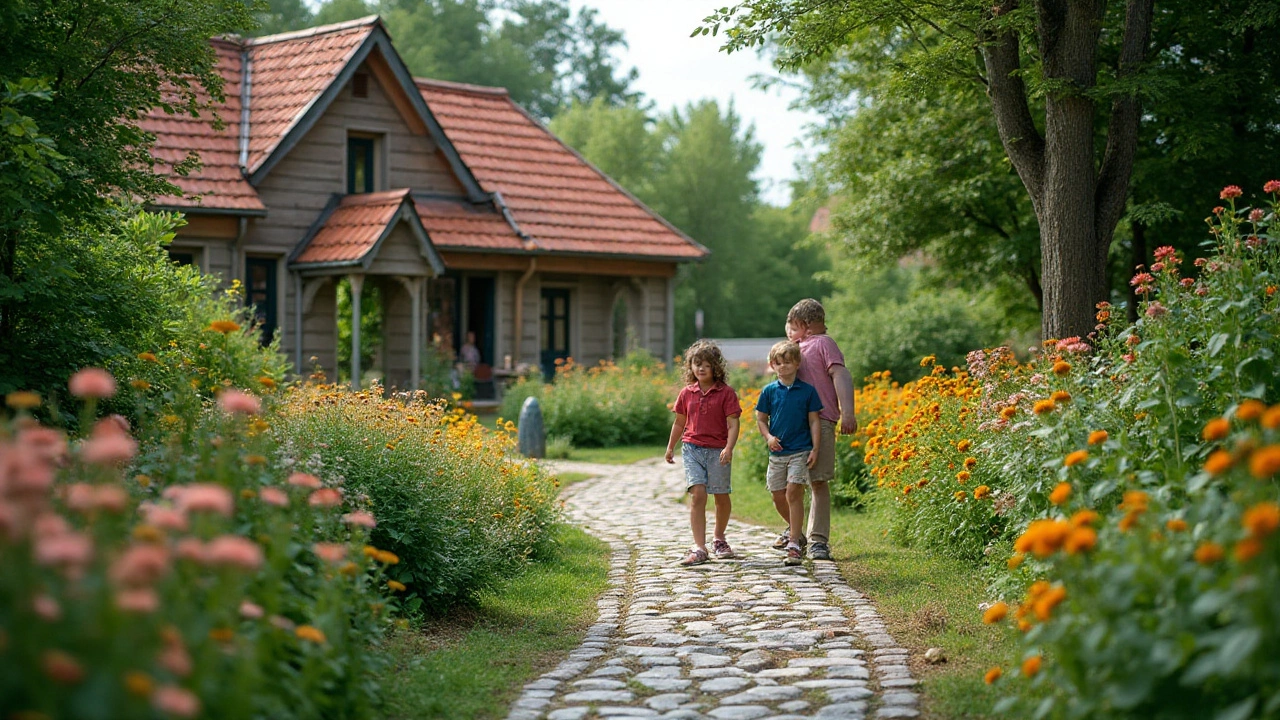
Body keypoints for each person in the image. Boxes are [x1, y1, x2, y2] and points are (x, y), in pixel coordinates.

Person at [781, 299, 857, 561]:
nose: (788, 333)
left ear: (805, 326)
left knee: (818, 480)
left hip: (821, 420)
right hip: (794, 425)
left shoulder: (823, 343)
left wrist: (847, 412)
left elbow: (840, 375)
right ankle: (794, 532)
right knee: (789, 481)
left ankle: (818, 541)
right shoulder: (794, 349)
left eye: (791, 327)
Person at [665, 340, 742, 566]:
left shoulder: (726, 393)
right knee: (698, 493)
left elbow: (733, 424)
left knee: (721, 495)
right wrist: (671, 447)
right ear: (690, 367)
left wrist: (729, 447)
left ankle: (719, 538)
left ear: (716, 367)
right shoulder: (686, 393)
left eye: (706, 365)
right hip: (692, 449)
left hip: (718, 450)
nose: (701, 368)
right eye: (696, 364)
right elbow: (679, 423)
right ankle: (699, 547)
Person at [754, 340, 822, 566]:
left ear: (797, 363)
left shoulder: (808, 391)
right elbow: (761, 419)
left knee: (794, 492)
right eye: (778, 363)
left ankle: (793, 543)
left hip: (800, 450)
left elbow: (814, 421)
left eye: (788, 362)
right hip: (777, 453)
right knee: (777, 494)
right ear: (772, 365)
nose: (783, 367)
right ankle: (797, 532)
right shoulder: (769, 391)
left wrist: (815, 448)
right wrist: (768, 437)